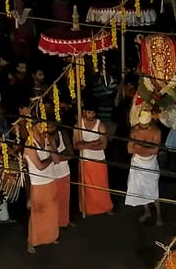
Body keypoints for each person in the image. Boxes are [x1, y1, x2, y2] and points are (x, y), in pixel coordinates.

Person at [23, 121, 71, 253]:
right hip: (38, 184)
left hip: (51, 180)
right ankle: (32, 240)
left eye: (41, 125)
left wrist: (49, 145)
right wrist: (50, 158)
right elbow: (40, 166)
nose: (41, 128)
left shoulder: (47, 139)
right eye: (38, 126)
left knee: (51, 212)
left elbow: (56, 159)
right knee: (37, 214)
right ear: (31, 128)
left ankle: (51, 236)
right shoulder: (29, 145)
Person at [73, 108, 113, 217]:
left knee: (102, 186)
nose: (91, 114)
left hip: (99, 159)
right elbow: (76, 145)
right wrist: (94, 143)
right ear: (85, 112)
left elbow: (103, 145)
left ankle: (106, 207)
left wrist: (85, 145)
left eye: (92, 112)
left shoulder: (100, 125)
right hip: (85, 160)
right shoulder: (78, 125)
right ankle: (89, 209)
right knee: (87, 188)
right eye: (89, 112)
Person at [125, 110, 162, 224]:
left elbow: (155, 150)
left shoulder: (156, 132)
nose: (142, 127)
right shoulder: (134, 131)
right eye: (141, 125)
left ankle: (159, 214)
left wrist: (139, 148)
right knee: (139, 188)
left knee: (153, 189)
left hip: (150, 163)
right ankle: (147, 211)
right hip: (137, 162)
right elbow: (129, 149)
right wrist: (146, 150)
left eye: (145, 125)